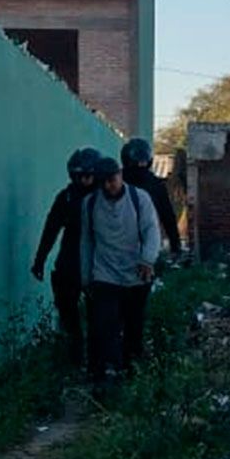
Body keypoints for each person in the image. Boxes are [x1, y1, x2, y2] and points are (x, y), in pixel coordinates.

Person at [80, 156, 160, 384]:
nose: (109, 186)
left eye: (112, 180)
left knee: (134, 326)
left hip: (136, 274)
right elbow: (87, 241)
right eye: (103, 181)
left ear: (121, 175)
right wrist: (86, 276)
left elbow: (151, 231)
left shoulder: (139, 198)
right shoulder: (90, 204)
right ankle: (107, 374)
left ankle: (132, 373)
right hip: (104, 274)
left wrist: (147, 259)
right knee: (105, 325)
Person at [31, 146, 101, 367]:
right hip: (69, 263)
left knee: (99, 318)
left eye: (87, 176)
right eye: (78, 176)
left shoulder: (105, 197)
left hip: (98, 264)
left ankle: (97, 364)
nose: (83, 180)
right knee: (68, 315)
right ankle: (74, 360)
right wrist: (40, 259)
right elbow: (51, 228)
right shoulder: (67, 197)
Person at [120, 137, 182, 256]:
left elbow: (167, 216)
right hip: (120, 240)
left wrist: (175, 245)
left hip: (146, 240)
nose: (141, 165)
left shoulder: (155, 184)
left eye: (143, 161)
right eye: (138, 162)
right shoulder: (117, 181)